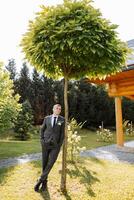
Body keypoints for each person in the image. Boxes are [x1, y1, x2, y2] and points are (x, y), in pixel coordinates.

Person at [34, 104, 65, 192]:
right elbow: (42, 129)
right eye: (57, 108)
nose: (58, 110)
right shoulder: (47, 118)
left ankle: (40, 180)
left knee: (51, 162)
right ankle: (44, 183)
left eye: (60, 109)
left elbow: (62, 134)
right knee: (44, 163)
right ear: (53, 109)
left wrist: (59, 145)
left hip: (56, 146)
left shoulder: (62, 120)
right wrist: (42, 140)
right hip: (45, 144)